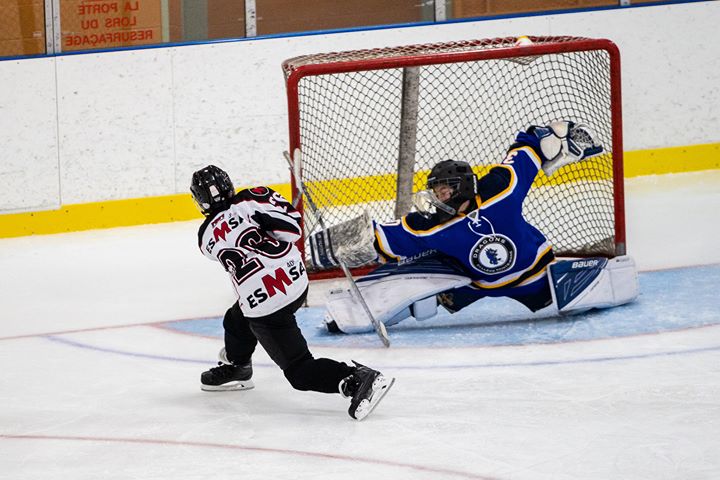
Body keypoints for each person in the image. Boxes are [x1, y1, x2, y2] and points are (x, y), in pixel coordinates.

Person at [317, 120, 636, 333]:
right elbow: (379, 236)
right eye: (435, 191)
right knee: (421, 296)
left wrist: (555, 137)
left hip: (536, 274)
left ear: (462, 188)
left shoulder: (500, 191)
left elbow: (527, 152)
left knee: (580, 300)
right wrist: (326, 246)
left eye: (443, 190)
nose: (437, 197)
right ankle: (356, 314)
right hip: (472, 284)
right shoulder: (429, 227)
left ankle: (591, 285)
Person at [190, 165, 394, 421]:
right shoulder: (253, 197)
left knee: (298, 371)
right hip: (296, 282)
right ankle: (238, 366)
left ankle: (356, 380)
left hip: (265, 305)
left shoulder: (205, 237)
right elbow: (292, 230)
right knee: (236, 318)